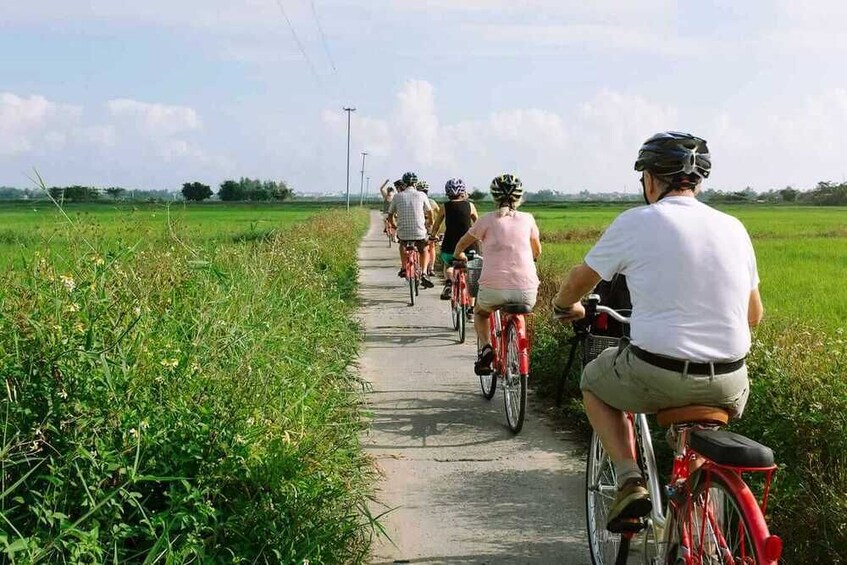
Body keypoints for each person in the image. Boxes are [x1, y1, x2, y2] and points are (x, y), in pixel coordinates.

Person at [551, 131, 764, 533]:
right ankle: (697, 511)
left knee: (594, 382)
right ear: (698, 181)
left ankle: (630, 479)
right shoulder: (735, 227)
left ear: (649, 179)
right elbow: (754, 315)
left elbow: (581, 280)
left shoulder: (637, 221)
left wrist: (565, 307)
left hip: (656, 373)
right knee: (697, 435)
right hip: (730, 381)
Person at [453, 174, 541, 374]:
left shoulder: (486, 221)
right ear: (519, 197)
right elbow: (537, 251)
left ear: (494, 196)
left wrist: (459, 255)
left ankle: (486, 348)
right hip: (527, 291)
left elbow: (463, 243)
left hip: (493, 289)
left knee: (480, 312)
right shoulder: (528, 219)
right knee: (516, 305)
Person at [429, 178, 479, 303]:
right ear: (463, 191)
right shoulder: (470, 206)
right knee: (471, 277)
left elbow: (436, 225)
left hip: (449, 246)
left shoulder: (444, 207)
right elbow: (478, 225)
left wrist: (432, 236)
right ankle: (471, 310)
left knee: (448, 264)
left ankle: (449, 282)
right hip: (470, 246)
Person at [387, 171, 435, 288]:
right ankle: (424, 273)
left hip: (403, 232)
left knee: (402, 245)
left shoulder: (397, 196)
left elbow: (390, 214)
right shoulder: (422, 195)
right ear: (415, 183)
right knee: (424, 249)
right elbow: (430, 212)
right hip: (419, 231)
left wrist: (394, 226)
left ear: (404, 184)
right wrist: (430, 222)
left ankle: (404, 267)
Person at [416, 180, 440, 276]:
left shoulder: (416, 201)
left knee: (420, 247)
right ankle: (431, 268)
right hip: (430, 226)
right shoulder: (432, 202)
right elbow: (439, 213)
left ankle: (421, 266)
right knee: (431, 246)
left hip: (419, 225)